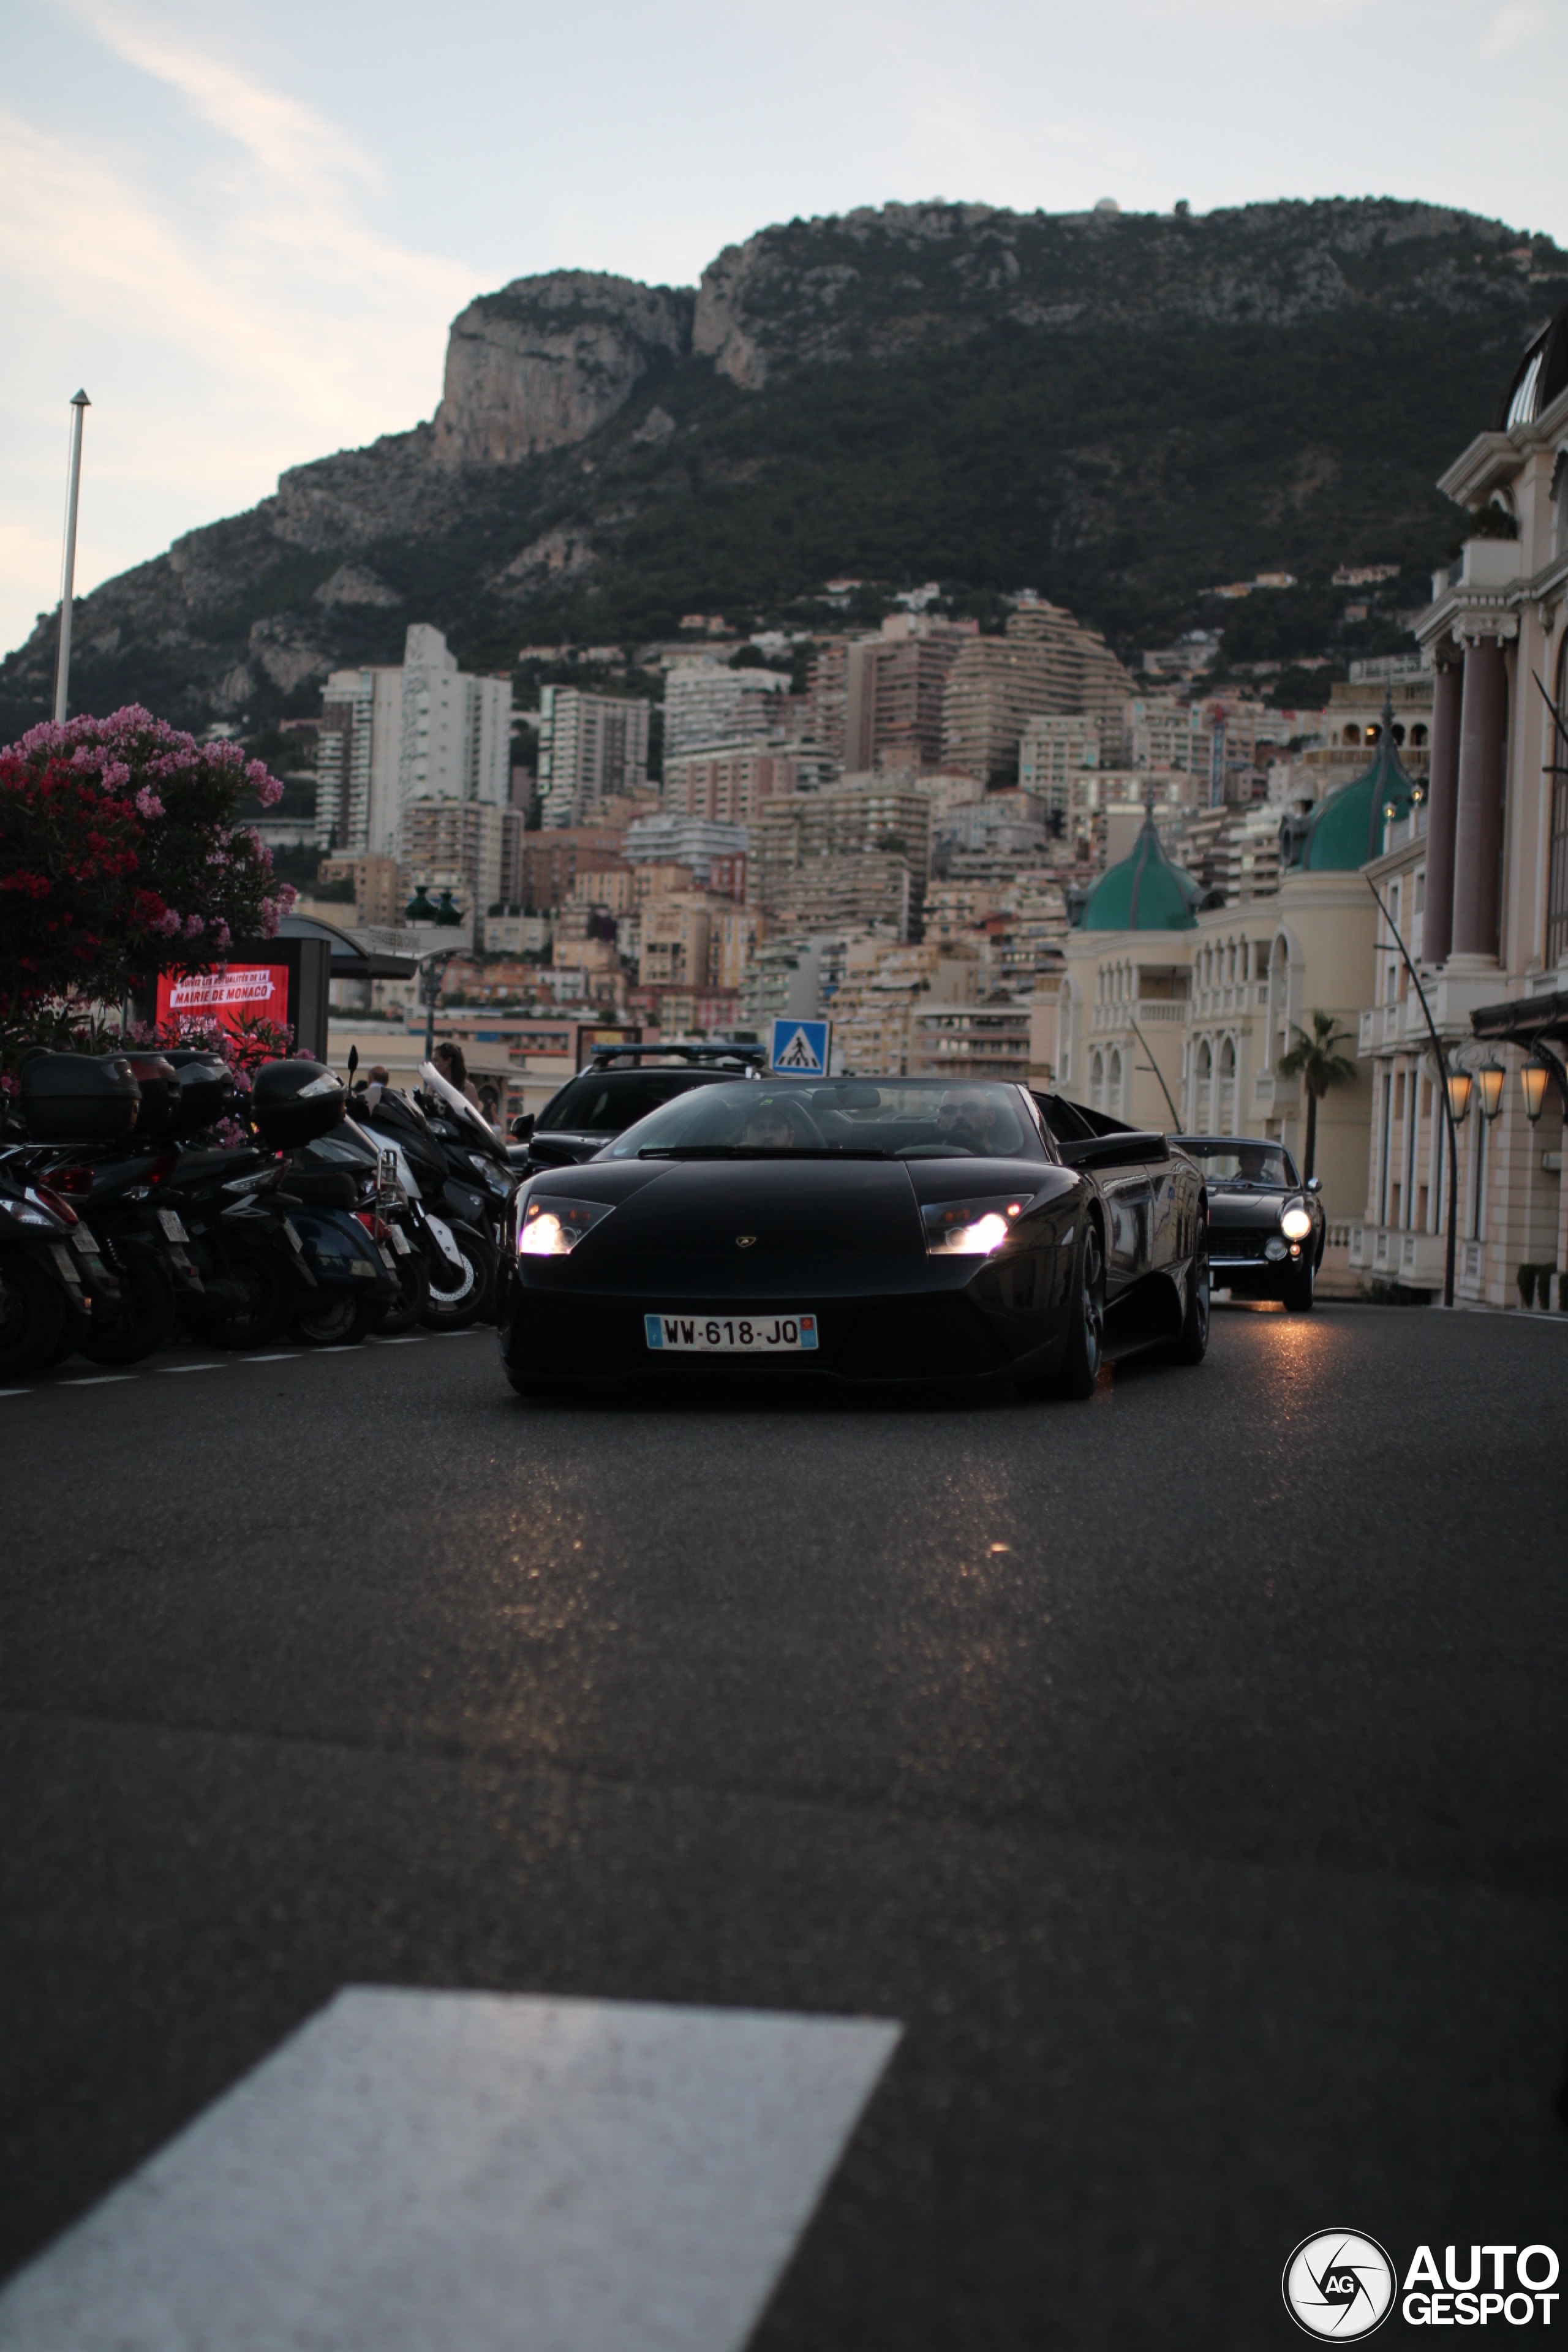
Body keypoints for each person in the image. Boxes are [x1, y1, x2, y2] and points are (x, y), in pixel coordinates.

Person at [433, 1041, 483, 1111]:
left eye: (436, 1060)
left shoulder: (467, 1088)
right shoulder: (433, 1087)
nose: (433, 1064)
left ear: (448, 1061)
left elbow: (473, 1118)